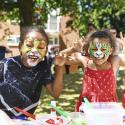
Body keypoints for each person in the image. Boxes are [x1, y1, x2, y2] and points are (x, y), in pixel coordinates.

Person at [0, 26, 65, 117]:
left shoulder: (43, 67)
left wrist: (60, 67)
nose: (34, 51)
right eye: (29, 45)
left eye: (41, 47)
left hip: (25, 121)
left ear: (46, 51)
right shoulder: (4, 65)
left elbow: (55, 93)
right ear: (20, 46)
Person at [59, 30, 125, 111]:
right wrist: (72, 49)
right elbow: (59, 57)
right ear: (89, 50)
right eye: (94, 49)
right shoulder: (85, 61)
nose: (98, 53)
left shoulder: (115, 61)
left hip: (108, 109)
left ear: (110, 50)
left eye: (103, 49)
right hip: (87, 108)